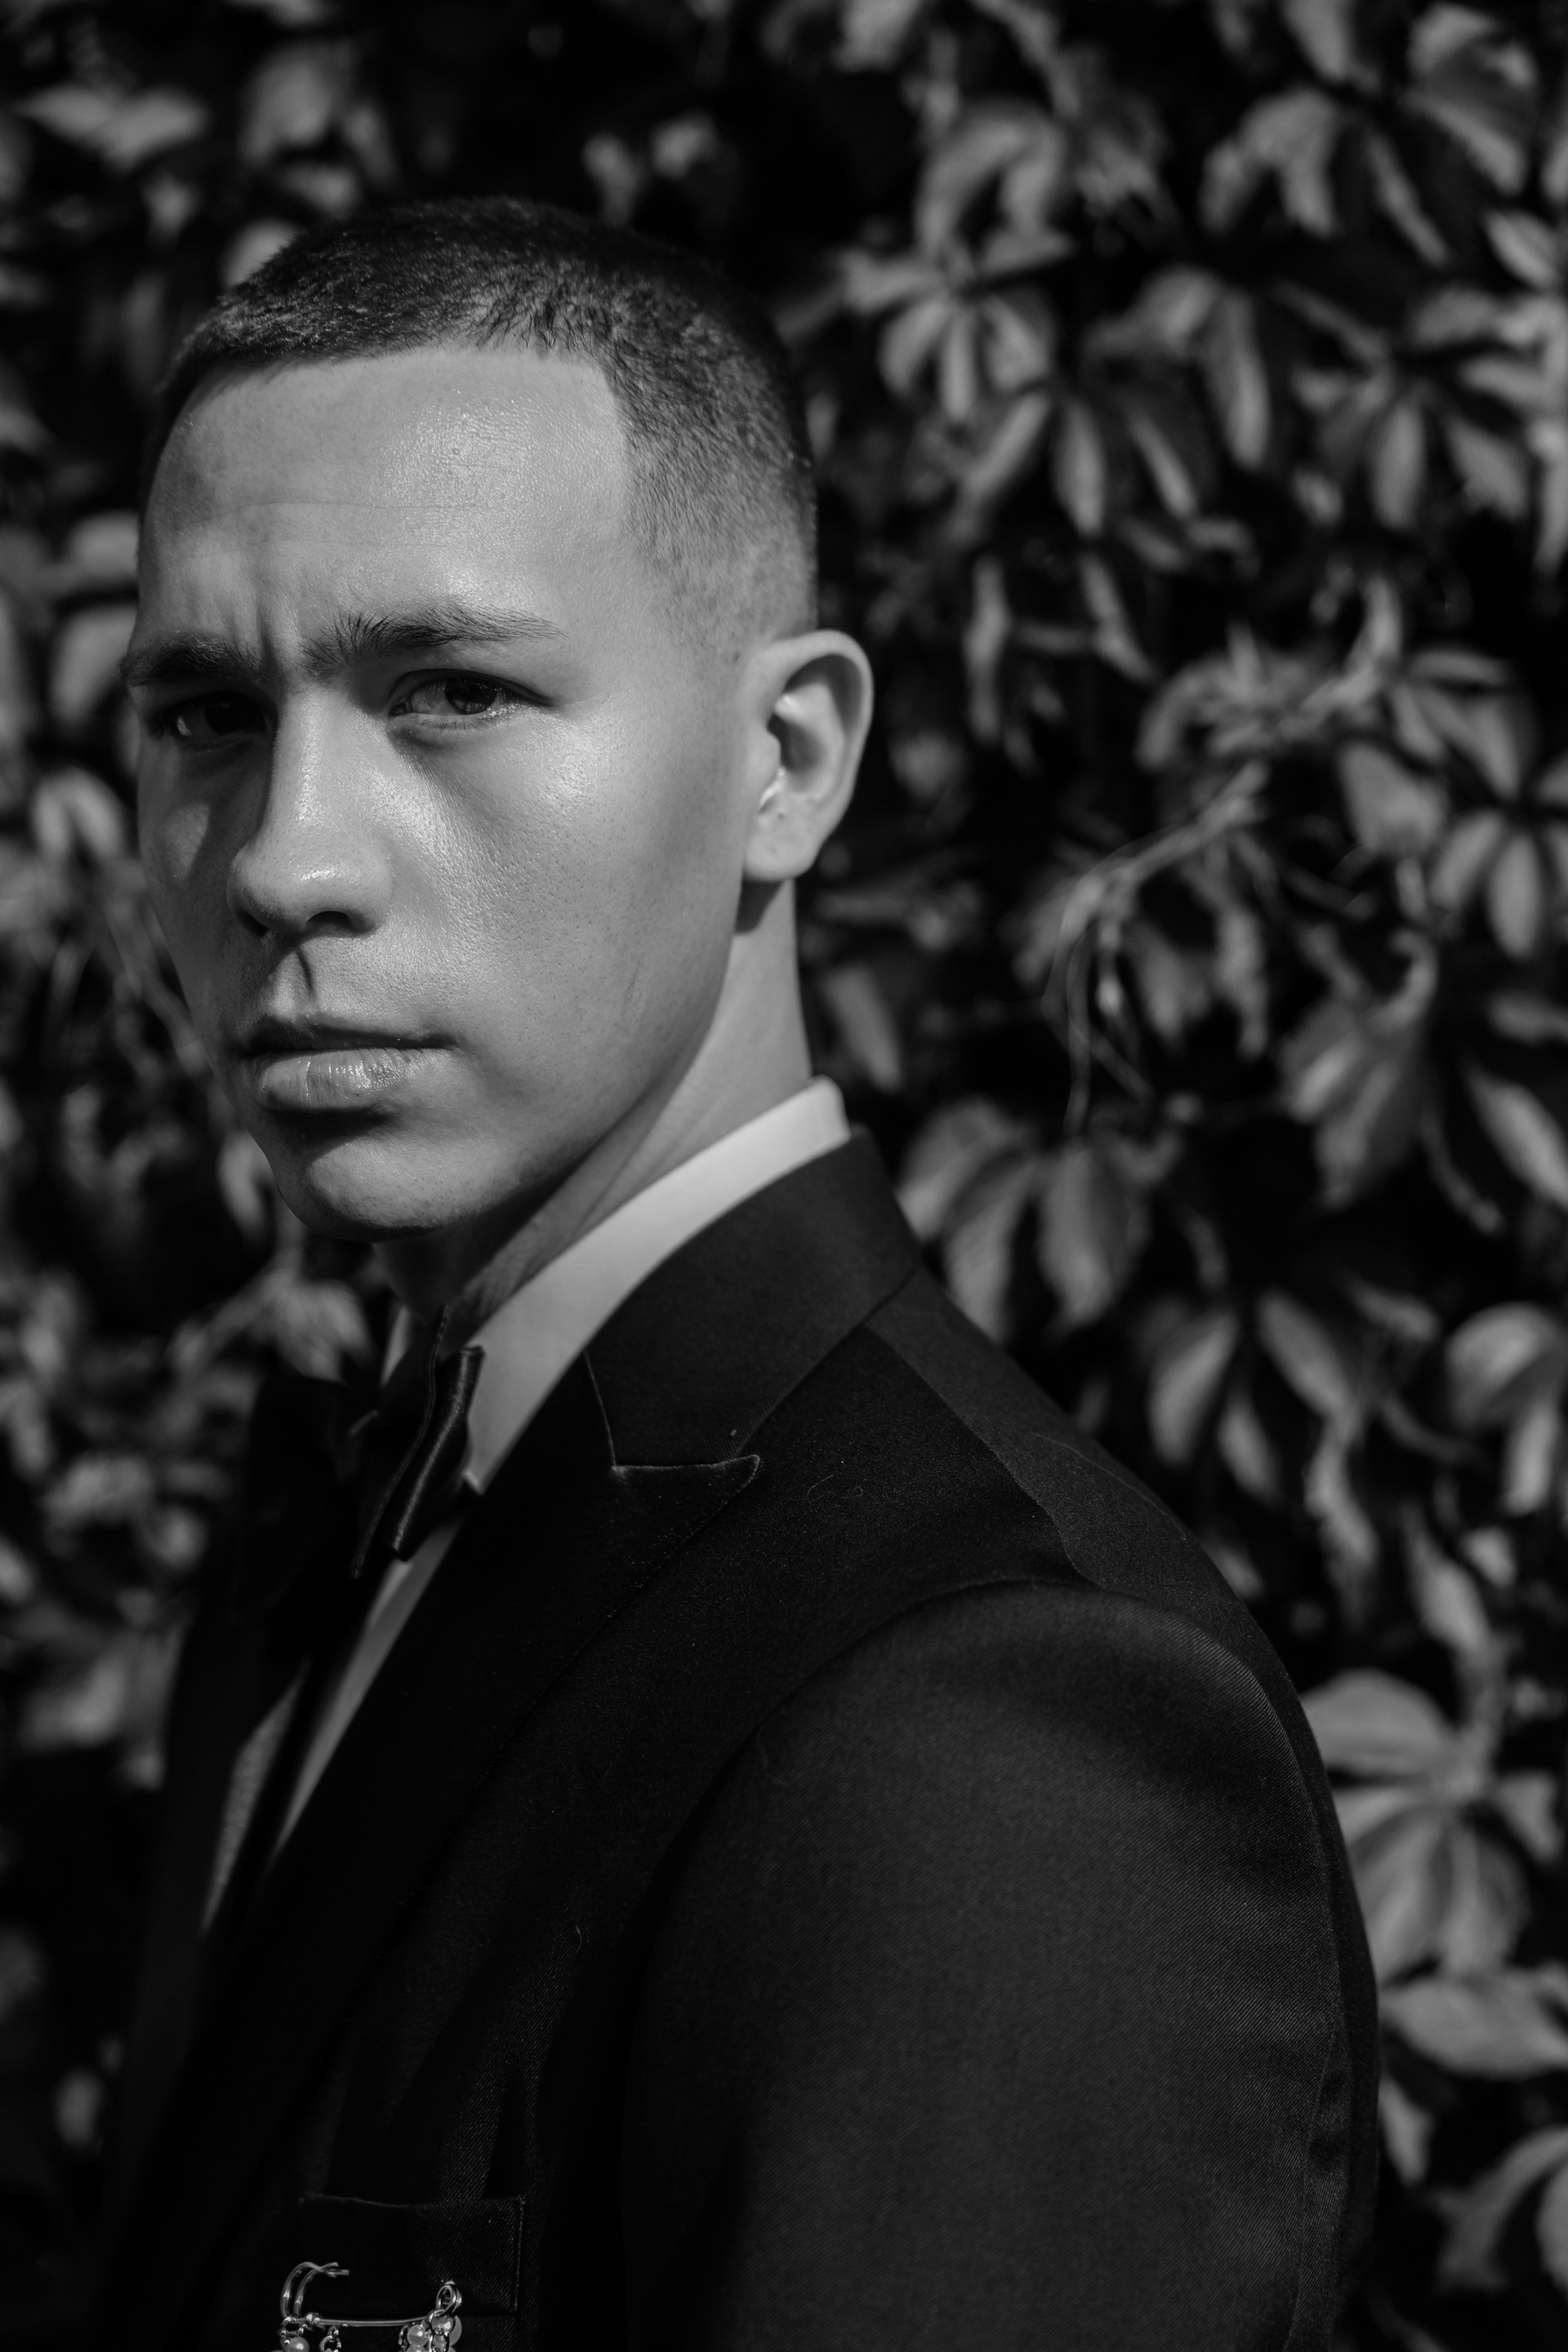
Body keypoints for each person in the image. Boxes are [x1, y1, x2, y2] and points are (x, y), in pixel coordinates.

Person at [93, 198, 1377, 2352]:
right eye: (211, 712)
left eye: (453, 691)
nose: (286, 857)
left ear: (788, 764)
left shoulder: (996, 1727)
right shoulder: (377, 1521)